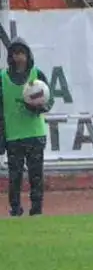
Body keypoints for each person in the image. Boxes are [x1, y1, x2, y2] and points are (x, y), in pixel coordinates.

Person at [1, 38, 54, 217]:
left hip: (35, 134)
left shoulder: (37, 74)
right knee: (14, 176)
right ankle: (15, 209)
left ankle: (37, 209)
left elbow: (50, 99)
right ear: (10, 56)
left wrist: (40, 108)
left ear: (28, 55)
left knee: (36, 175)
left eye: (22, 53)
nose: (19, 57)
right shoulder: (2, 78)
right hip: (13, 135)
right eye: (15, 54)